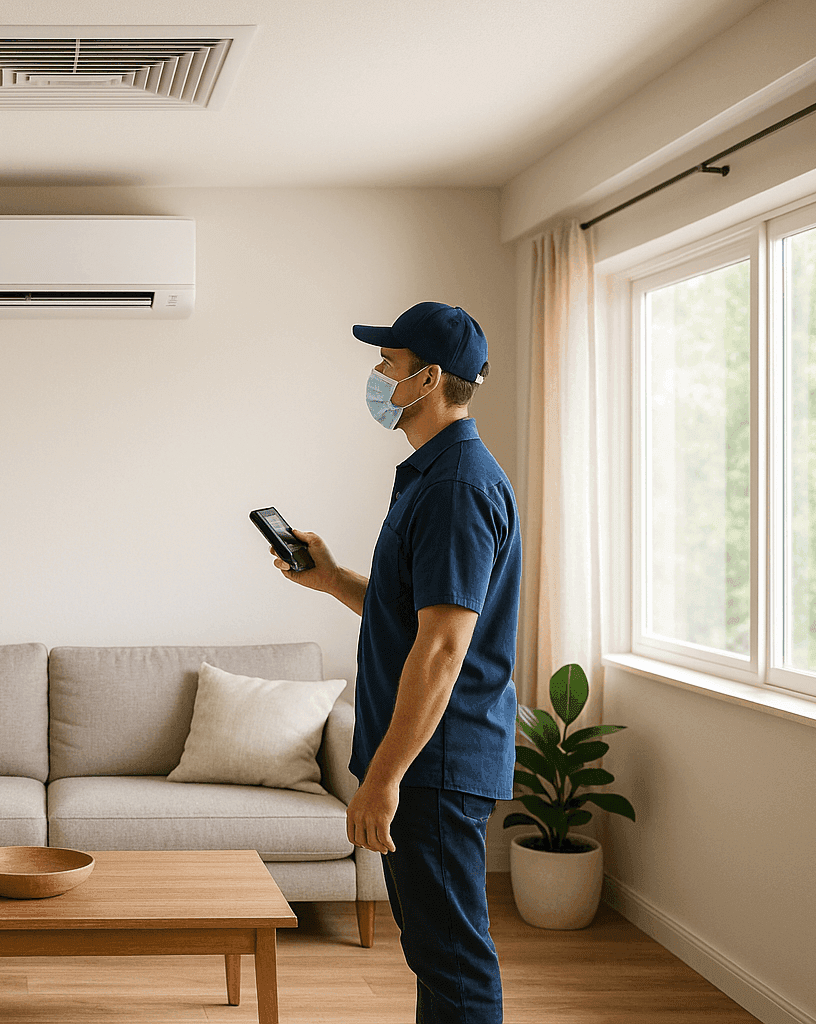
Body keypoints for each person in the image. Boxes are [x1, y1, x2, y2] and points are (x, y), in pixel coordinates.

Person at [271, 301, 519, 1023]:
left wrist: (383, 780)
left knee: (453, 960)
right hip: (425, 758)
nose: (378, 377)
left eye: (388, 364)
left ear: (428, 379)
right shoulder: (432, 476)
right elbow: (416, 618)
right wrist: (333, 580)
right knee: (433, 952)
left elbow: (442, 650)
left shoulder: (455, 488)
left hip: (432, 762)